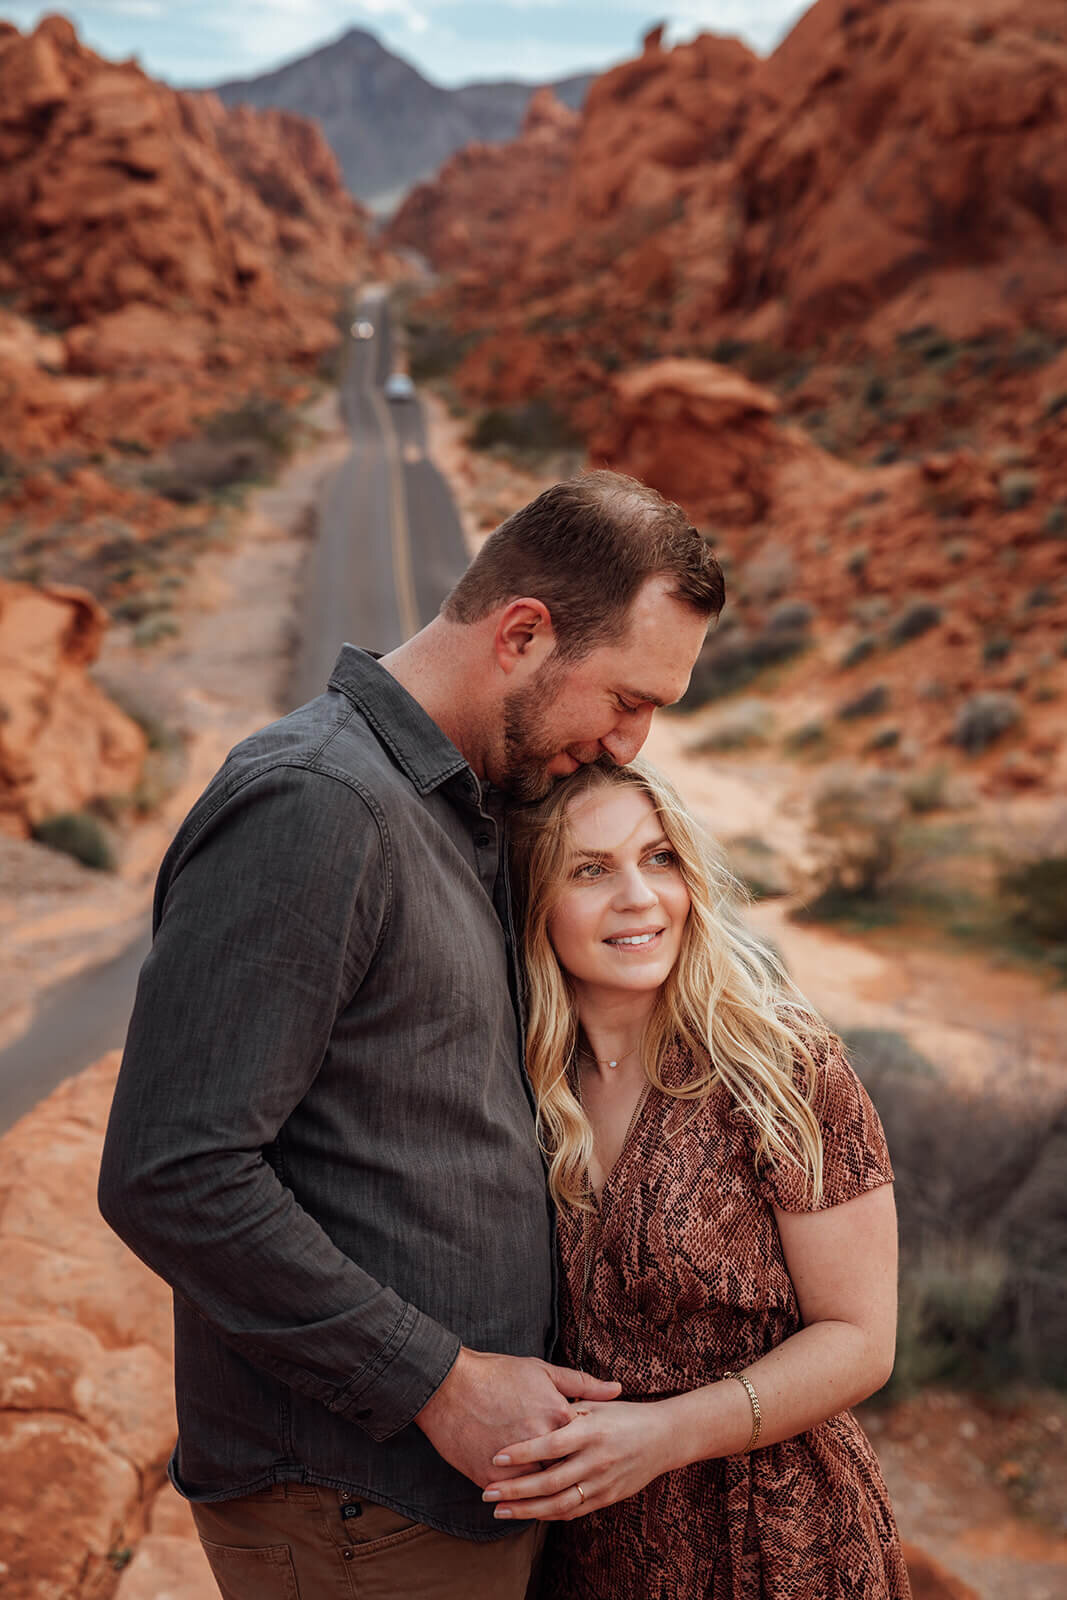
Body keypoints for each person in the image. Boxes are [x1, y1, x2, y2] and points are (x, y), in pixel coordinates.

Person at [97, 470, 723, 1599]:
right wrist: (438, 1381)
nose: (630, 741)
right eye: (628, 698)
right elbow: (172, 1172)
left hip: (432, 1496)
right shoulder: (319, 805)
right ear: (522, 633)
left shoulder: (458, 801)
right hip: (352, 1497)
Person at [492, 758, 911, 1599]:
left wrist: (665, 1434)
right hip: (589, 1552)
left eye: (658, 858)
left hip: (778, 1542)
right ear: (535, 901)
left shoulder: (781, 1064)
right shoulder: (516, 1081)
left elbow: (861, 1340)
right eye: (589, 869)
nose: (639, 896)